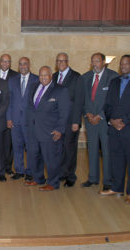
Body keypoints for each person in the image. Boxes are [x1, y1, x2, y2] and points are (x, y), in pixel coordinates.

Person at [25, 66, 70, 191]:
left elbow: (65, 112)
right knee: (34, 156)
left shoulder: (60, 90)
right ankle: (38, 178)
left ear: (51, 76)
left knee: (51, 158)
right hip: (34, 130)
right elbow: (30, 107)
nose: (43, 77)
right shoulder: (33, 87)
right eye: (41, 75)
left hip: (50, 131)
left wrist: (60, 129)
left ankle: (53, 182)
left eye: (46, 75)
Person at [80, 53, 118, 191]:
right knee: (92, 149)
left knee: (106, 151)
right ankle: (93, 178)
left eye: (97, 61)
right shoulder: (85, 77)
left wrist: (100, 115)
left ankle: (107, 180)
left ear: (103, 62)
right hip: (89, 120)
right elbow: (82, 98)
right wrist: (87, 113)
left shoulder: (113, 77)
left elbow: (113, 101)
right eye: (92, 61)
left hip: (104, 120)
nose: (94, 64)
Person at [101, 55, 130, 203]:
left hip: (128, 128)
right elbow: (107, 105)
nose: (123, 66)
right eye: (122, 64)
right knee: (116, 159)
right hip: (114, 128)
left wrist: (124, 120)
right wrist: (111, 120)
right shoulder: (114, 82)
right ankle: (116, 187)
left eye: (126, 63)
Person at [6, 57, 39, 181]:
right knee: (17, 146)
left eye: (25, 64)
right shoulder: (12, 80)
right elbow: (9, 101)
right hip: (15, 120)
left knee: (30, 147)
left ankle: (30, 171)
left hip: (30, 121)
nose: (23, 66)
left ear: (29, 64)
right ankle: (19, 170)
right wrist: (8, 118)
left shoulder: (36, 79)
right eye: (20, 64)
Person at [52, 52, 81, 187]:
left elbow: (79, 102)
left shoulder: (76, 77)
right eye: (58, 61)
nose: (61, 63)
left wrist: (76, 121)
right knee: (58, 148)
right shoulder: (54, 77)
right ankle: (61, 174)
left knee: (70, 149)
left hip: (70, 121)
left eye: (63, 61)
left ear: (67, 62)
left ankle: (70, 176)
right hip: (57, 121)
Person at [0, 53, 18, 175]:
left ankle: (7, 167)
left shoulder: (15, 75)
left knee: (9, 142)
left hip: (10, 114)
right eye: (3, 61)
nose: (5, 63)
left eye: (8, 61)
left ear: (10, 63)